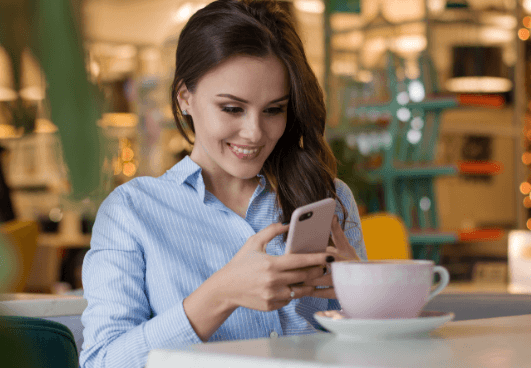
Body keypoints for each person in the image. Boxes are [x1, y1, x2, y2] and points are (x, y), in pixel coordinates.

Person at [79, 0, 367, 367]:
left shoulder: (328, 198)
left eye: (274, 109)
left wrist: (365, 299)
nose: (255, 132)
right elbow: (101, 361)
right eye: (232, 109)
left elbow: (369, 352)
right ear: (185, 97)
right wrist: (219, 295)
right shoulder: (132, 211)